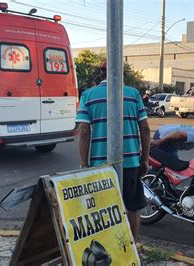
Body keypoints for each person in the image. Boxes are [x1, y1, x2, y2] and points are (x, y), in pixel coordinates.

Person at [76, 60, 151, 241]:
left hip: (100, 166)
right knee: (132, 207)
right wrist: (145, 159)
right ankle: (131, 248)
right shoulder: (133, 94)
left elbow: (84, 132)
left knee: (102, 208)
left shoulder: (88, 95)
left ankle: (107, 247)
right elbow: (146, 129)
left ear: (101, 74)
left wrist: (84, 164)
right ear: (122, 75)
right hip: (131, 163)